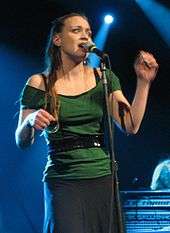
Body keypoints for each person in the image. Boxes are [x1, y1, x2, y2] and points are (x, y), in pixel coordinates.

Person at [15, 12, 159, 233]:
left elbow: (131, 125)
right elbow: (21, 141)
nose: (85, 36)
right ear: (58, 39)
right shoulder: (40, 82)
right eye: (76, 30)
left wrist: (143, 82)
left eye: (89, 32)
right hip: (63, 180)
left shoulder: (103, 77)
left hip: (102, 176)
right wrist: (31, 121)